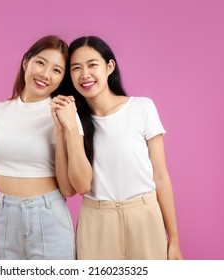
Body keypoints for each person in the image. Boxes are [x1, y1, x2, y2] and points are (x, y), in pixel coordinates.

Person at [51, 36, 183, 260]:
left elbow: (161, 177)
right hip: (97, 222)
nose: (85, 75)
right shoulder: (71, 120)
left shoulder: (142, 108)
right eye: (76, 68)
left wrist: (175, 241)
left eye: (92, 65)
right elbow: (69, 188)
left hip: (145, 217)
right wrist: (67, 129)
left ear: (109, 66)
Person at [0, 35, 91, 260]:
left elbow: (69, 189)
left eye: (57, 70)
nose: (45, 74)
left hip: (49, 216)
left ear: (62, 77)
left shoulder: (64, 112)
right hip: (4, 218)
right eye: (41, 62)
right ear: (26, 62)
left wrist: (63, 128)